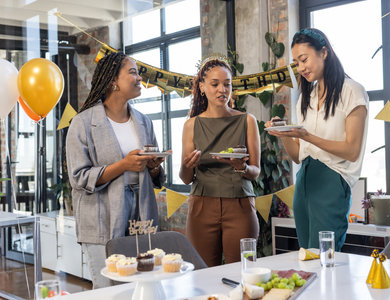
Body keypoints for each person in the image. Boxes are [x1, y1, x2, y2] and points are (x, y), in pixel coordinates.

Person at [66, 52, 166, 288]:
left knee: (143, 285)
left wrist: (152, 168)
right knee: (109, 290)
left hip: (141, 218)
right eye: (133, 72)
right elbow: (78, 177)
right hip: (101, 219)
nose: (139, 77)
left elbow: (155, 176)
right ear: (113, 81)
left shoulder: (144, 121)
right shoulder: (82, 123)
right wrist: (123, 165)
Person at [266, 28, 369, 251]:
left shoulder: (352, 91)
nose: (301, 68)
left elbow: (352, 150)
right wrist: (283, 133)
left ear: (323, 52)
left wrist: (308, 136)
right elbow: (296, 156)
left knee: (325, 256)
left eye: (304, 59)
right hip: (304, 180)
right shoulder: (306, 97)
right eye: (296, 63)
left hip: (332, 180)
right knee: (307, 255)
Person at [179, 57, 261, 267]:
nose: (222, 90)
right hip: (202, 206)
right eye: (215, 84)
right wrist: (188, 165)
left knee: (244, 270)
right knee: (203, 274)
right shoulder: (191, 125)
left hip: (240, 205)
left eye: (227, 84)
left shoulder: (247, 121)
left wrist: (241, 167)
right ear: (202, 87)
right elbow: (186, 178)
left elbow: (255, 172)